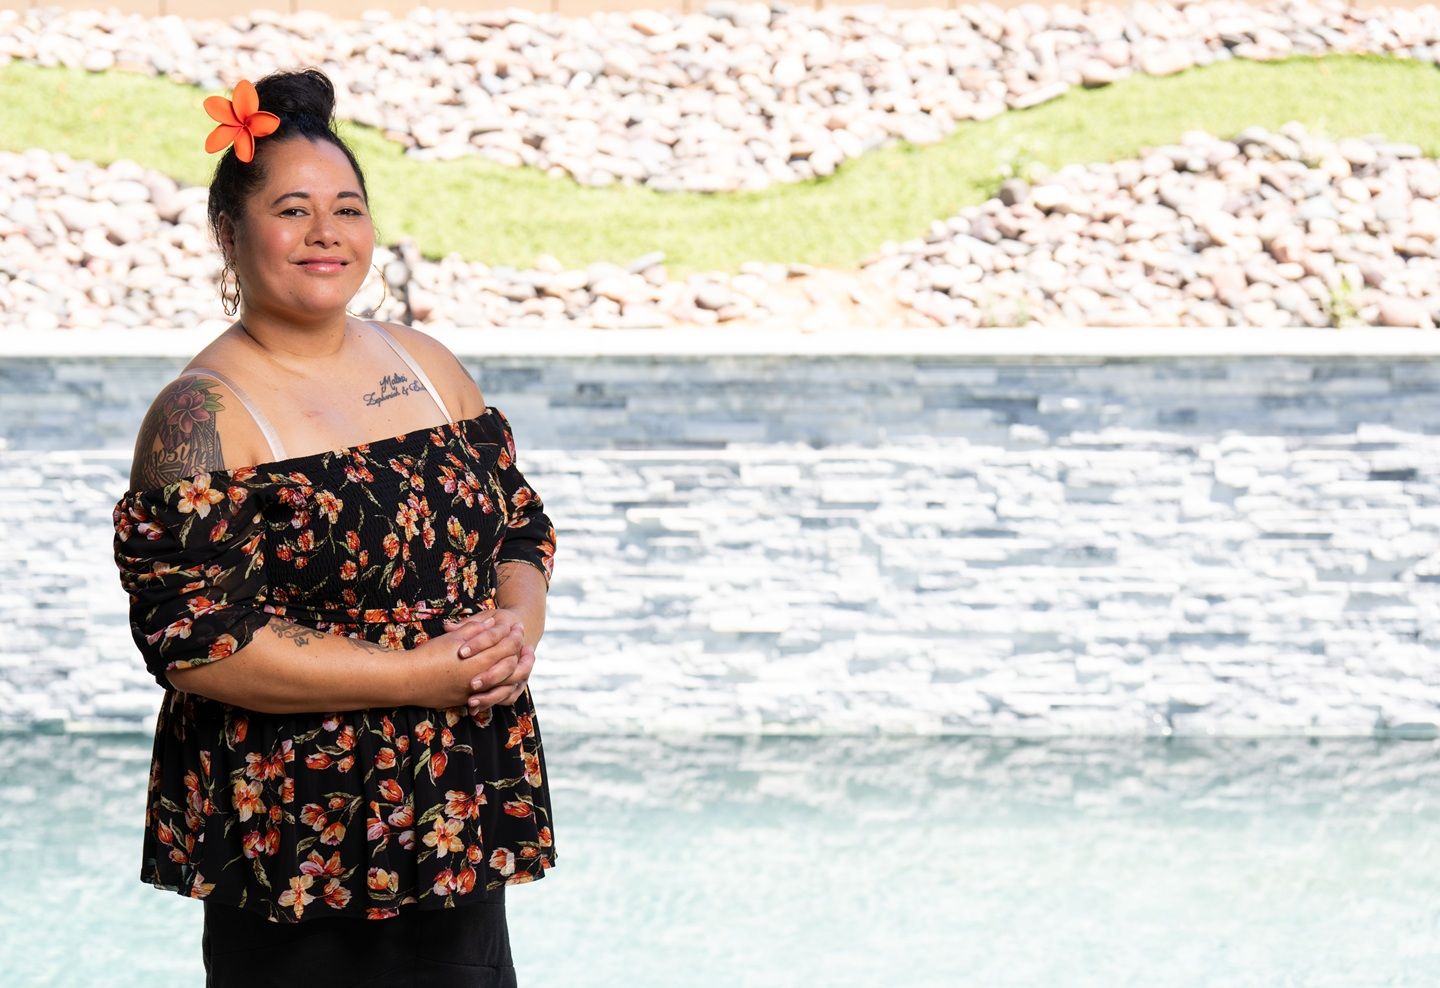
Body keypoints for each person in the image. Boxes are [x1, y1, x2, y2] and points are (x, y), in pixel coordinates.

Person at [110, 68, 557, 987]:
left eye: (347, 208)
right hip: (295, 840)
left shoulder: (428, 366)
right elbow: (199, 645)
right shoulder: (201, 416)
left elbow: (518, 524)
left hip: (451, 813)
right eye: (293, 210)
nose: (327, 234)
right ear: (229, 234)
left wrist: (518, 628)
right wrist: (417, 675)